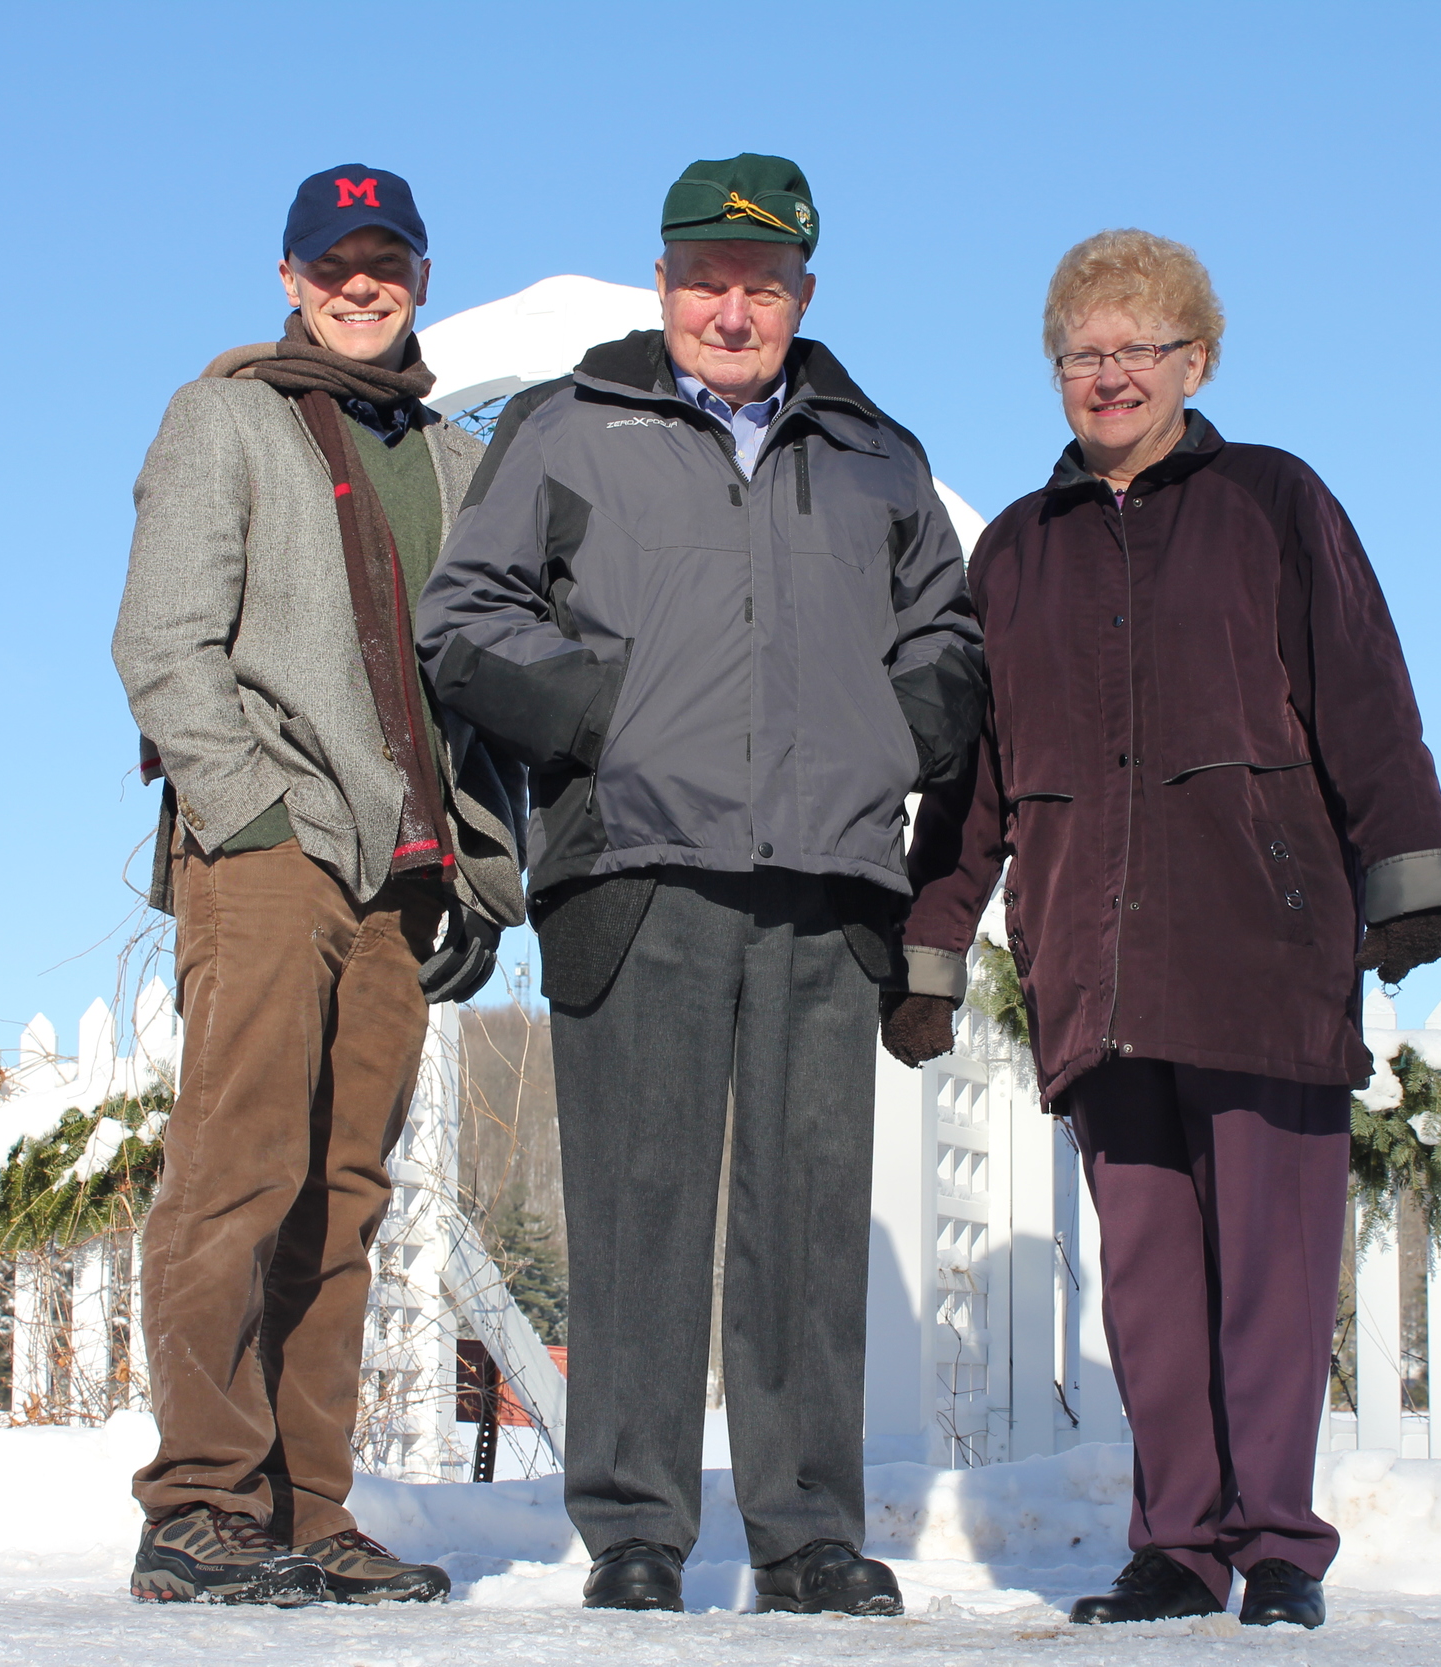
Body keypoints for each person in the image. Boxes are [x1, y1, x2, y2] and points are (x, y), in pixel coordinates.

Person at [417, 154, 984, 1617]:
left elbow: (953, 642)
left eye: (764, 283)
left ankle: (806, 1534)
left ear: (804, 291)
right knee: (639, 1205)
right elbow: (466, 614)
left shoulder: (874, 454)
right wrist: (600, 719)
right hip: (635, 864)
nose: (733, 309)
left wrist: (883, 741)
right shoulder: (566, 429)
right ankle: (637, 1529)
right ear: (663, 281)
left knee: (804, 1216)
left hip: (823, 875)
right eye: (706, 280)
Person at [886, 230, 1441, 1631]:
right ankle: (1177, 1545)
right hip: (1098, 956)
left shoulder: (1274, 502)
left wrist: (1409, 869)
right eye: (1081, 352)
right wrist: (934, 941)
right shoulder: (1018, 552)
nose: (1107, 376)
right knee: (1147, 1285)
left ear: (1195, 362)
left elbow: (1366, 694)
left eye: (1137, 349)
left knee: (1269, 1276)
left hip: (1262, 945)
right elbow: (973, 774)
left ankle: (1275, 1545)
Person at [111, 164, 525, 1605]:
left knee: (344, 1195)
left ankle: (308, 1508)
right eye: (333, 262)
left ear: (419, 277)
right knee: (241, 1171)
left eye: (387, 262)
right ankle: (200, 1504)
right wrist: (254, 821)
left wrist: (480, 865)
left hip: (404, 882)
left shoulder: (458, 462)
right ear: (289, 276)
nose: (362, 286)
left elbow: (471, 686)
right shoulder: (223, 416)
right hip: (272, 853)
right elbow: (163, 642)